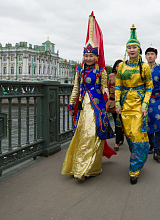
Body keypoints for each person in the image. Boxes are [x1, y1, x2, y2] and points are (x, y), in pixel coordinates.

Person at [61, 12, 115, 181]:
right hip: (83, 108)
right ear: (83, 56)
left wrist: (107, 94)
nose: (88, 58)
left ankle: (90, 168)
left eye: (91, 55)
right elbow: (76, 89)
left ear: (96, 57)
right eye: (86, 55)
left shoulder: (101, 71)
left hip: (97, 108)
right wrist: (71, 106)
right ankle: (78, 166)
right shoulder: (80, 71)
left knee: (94, 134)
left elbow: (105, 87)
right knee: (81, 134)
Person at [115, 24, 153, 185]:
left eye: (134, 47)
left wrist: (144, 105)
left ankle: (134, 169)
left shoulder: (144, 66)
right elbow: (117, 85)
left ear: (139, 49)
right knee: (130, 136)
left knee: (138, 135)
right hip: (124, 106)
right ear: (126, 49)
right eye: (129, 47)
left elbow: (149, 87)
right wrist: (117, 103)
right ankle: (137, 158)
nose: (131, 50)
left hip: (138, 106)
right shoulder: (122, 66)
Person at [106, 59, 125, 151]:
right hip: (113, 101)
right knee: (116, 120)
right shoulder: (111, 76)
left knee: (120, 121)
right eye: (117, 66)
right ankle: (120, 138)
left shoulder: (125, 75)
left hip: (122, 102)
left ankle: (117, 141)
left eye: (120, 66)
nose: (118, 68)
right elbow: (108, 87)